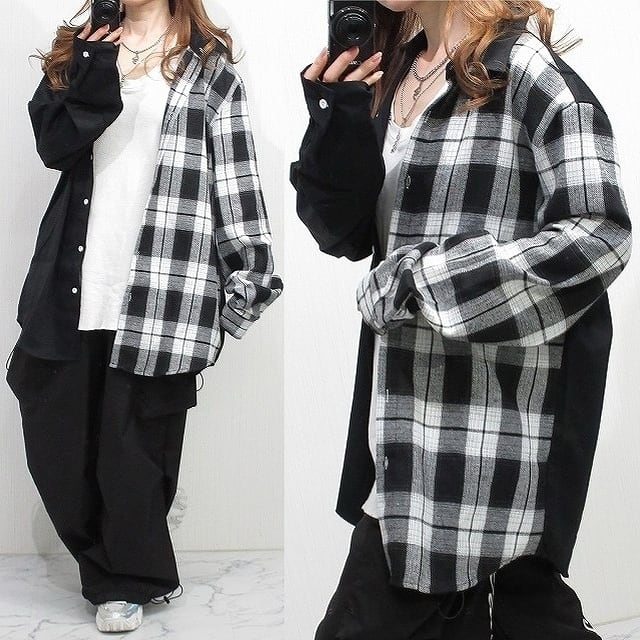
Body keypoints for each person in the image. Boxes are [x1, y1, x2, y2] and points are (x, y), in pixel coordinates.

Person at [291, 1, 631, 638]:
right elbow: (342, 233)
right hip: (400, 428)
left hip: (481, 437)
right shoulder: (395, 70)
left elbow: (600, 236)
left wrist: (426, 281)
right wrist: (336, 116)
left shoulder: (523, 71)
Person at [7, 0, 282, 633]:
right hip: (70, 285)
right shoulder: (80, 50)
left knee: (132, 452)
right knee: (53, 438)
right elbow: (54, 147)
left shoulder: (211, 72)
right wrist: (92, 63)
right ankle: (116, 558)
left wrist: (245, 285)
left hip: (163, 291)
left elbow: (236, 181)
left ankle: (126, 579)